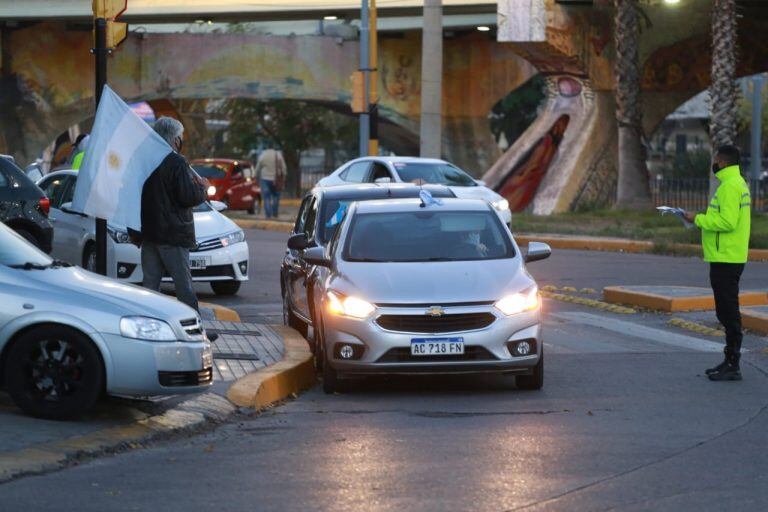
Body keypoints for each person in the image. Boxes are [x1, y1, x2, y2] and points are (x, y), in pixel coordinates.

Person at [683, 145, 751, 381]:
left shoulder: (730, 187)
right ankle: (729, 360)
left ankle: (733, 364)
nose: (714, 164)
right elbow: (724, 217)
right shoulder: (733, 184)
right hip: (726, 256)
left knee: (728, 312)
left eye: (715, 160)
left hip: (727, 257)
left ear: (722, 162)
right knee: (725, 310)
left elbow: (728, 222)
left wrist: (698, 219)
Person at [139, 117, 206, 311]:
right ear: (175, 139)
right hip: (173, 236)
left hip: (150, 234)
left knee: (150, 286)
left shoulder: (146, 161)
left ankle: (147, 328)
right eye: (181, 137)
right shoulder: (176, 162)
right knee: (184, 287)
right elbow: (186, 196)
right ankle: (194, 330)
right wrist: (202, 189)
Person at [256, 146, 286, 219]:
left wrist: (256, 176)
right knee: (276, 196)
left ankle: (268, 215)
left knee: (266, 197)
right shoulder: (278, 154)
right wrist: (284, 176)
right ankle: (275, 213)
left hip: (265, 178)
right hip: (276, 179)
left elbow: (258, 167)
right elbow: (284, 167)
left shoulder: (263, 155)